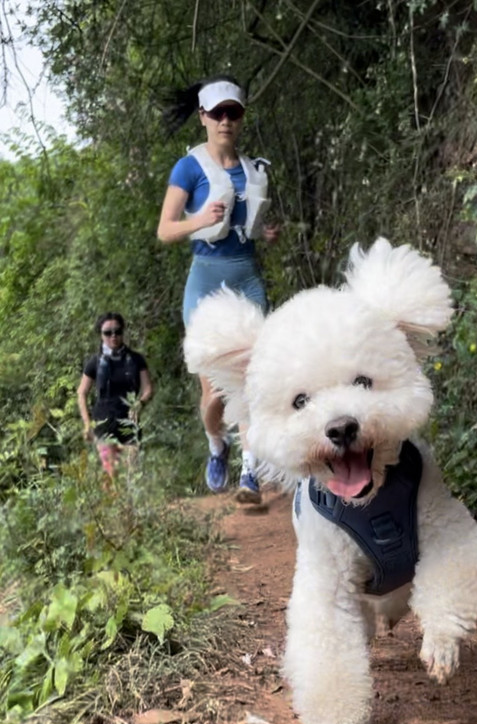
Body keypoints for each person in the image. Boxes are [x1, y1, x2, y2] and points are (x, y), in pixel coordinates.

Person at [157, 74, 278, 505]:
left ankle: (251, 472)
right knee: (212, 392)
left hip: (246, 275)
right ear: (204, 117)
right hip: (206, 279)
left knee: (251, 379)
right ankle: (216, 446)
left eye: (235, 112)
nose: (227, 120)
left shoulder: (253, 169)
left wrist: (264, 233)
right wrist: (200, 220)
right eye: (218, 113)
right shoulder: (189, 167)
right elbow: (166, 230)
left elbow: (249, 225)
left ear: (242, 118)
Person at [77, 313, 153, 480]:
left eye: (117, 331)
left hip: (129, 419)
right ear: (101, 335)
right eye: (108, 332)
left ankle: (133, 505)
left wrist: (140, 403)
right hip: (103, 421)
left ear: (122, 332)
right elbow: (82, 393)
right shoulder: (95, 362)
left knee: (132, 470)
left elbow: (148, 388)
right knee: (111, 471)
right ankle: (114, 503)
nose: (113, 336)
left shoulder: (135, 359)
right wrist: (87, 423)